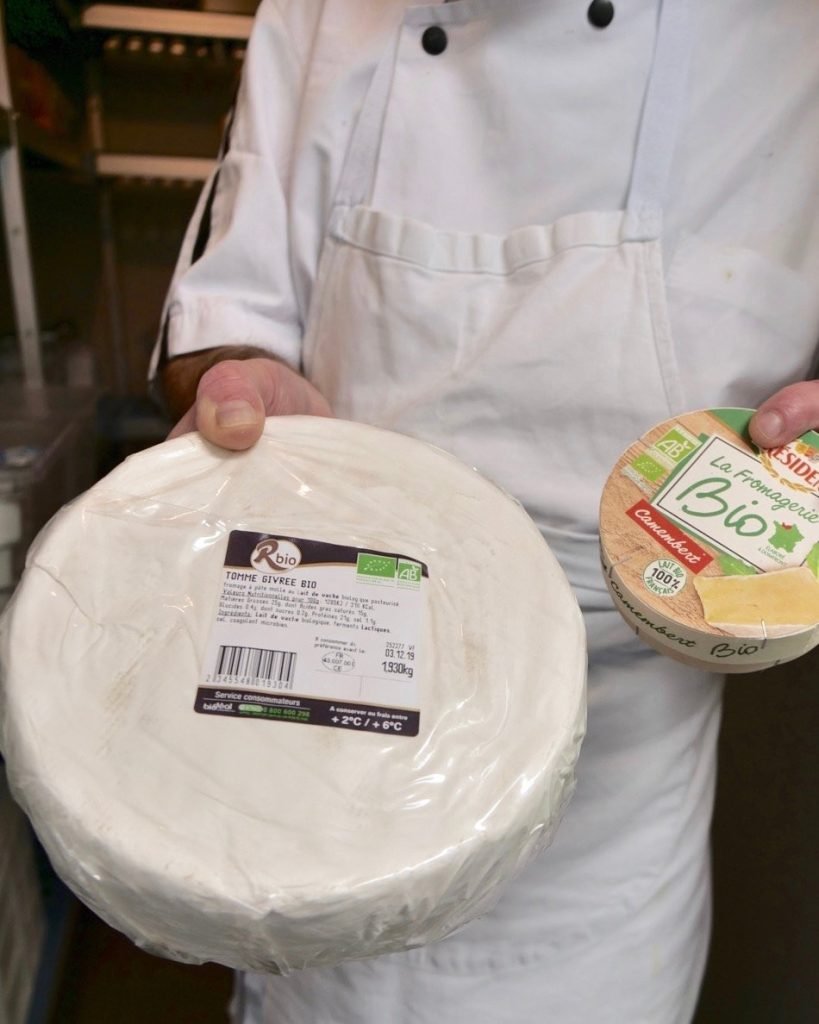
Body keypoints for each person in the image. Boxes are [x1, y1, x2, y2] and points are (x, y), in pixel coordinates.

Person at [154, 1, 819, 1021]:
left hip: (602, 858)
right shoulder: (317, 11)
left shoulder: (789, 37)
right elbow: (226, 314)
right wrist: (240, 383)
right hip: (316, 754)